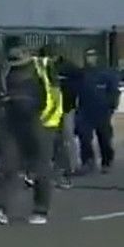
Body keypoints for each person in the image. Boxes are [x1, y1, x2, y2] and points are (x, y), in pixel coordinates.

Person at [0, 36, 56, 226]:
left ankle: (40, 209)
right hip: (12, 124)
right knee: (8, 165)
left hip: (39, 122)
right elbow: (0, 94)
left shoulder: (42, 66)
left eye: (18, 51)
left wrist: (47, 121)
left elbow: (54, 96)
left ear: (25, 50)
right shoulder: (6, 69)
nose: (15, 55)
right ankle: (1, 208)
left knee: (41, 167)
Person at [39, 45, 78, 189]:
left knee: (64, 140)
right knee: (51, 143)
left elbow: (74, 88)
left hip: (63, 110)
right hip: (48, 111)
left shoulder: (67, 68)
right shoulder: (42, 69)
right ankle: (47, 172)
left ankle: (66, 171)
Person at [76, 47, 119, 174]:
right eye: (88, 55)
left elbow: (114, 92)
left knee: (104, 138)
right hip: (85, 111)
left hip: (102, 111)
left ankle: (106, 161)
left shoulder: (107, 74)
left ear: (98, 57)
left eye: (92, 55)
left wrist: (111, 106)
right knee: (84, 137)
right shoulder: (82, 74)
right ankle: (87, 161)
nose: (90, 58)